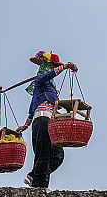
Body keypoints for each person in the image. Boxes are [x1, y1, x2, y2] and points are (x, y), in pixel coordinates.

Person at [17, 51, 78, 188]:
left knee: (58, 156)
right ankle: (39, 188)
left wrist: (25, 125)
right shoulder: (40, 81)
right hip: (42, 121)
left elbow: (32, 108)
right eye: (51, 67)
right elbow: (33, 110)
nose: (52, 69)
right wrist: (65, 67)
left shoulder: (50, 91)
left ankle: (33, 176)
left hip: (50, 123)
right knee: (44, 156)